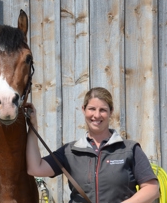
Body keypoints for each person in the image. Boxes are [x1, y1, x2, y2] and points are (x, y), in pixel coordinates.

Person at [25, 87, 159, 203]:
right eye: (92, 109)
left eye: (103, 110)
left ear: (111, 112)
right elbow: (35, 168)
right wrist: (33, 126)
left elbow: (152, 188)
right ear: (84, 110)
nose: (96, 115)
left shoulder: (129, 149)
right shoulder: (70, 152)